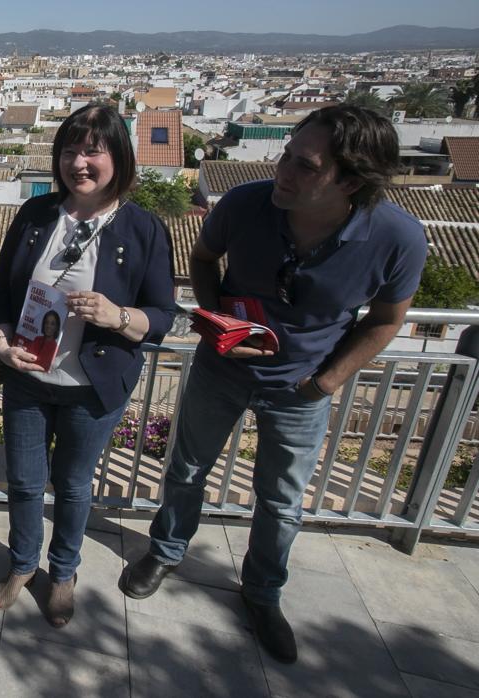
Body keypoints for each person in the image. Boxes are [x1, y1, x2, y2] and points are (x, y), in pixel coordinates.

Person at [120, 105, 428, 664]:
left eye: (304, 165)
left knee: (282, 500)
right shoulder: (245, 204)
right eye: (286, 153)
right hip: (223, 368)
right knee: (187, 468)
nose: (282, 170)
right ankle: (165, 551)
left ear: (352, 180)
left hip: (301, 388)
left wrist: (324, 382)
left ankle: (263, 593)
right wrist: (220, 325)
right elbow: (205, 259)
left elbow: (384, 321)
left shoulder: (397, 238)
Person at [0, 104, 176, 627]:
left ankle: (63, 571)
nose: (79, 163)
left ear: (119, 156)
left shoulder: (143, 229)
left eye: (93, 150)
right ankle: (23, 565)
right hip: (28, 376)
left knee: (72, 485)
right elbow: (1, 295)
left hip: (91, 386)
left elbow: (163, 317)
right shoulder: (35, 215)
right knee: (24, 482)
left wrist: (118, 316)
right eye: (70, 150)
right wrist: (2, 342)